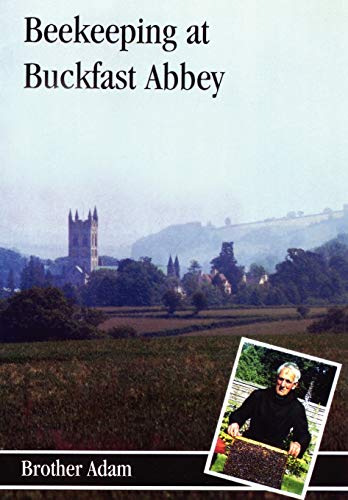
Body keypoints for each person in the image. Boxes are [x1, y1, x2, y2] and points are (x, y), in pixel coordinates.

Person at [227, 362, 311, 458]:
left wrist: (299, 444)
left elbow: (303, 433)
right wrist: (235, 422)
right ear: (276, 378)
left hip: (273, 455)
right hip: (247, 446)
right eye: (281, 379)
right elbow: (240, 414)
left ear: (295, 385)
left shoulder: (297, 408)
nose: (283, 384)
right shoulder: (258, 396)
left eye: (288, 381)